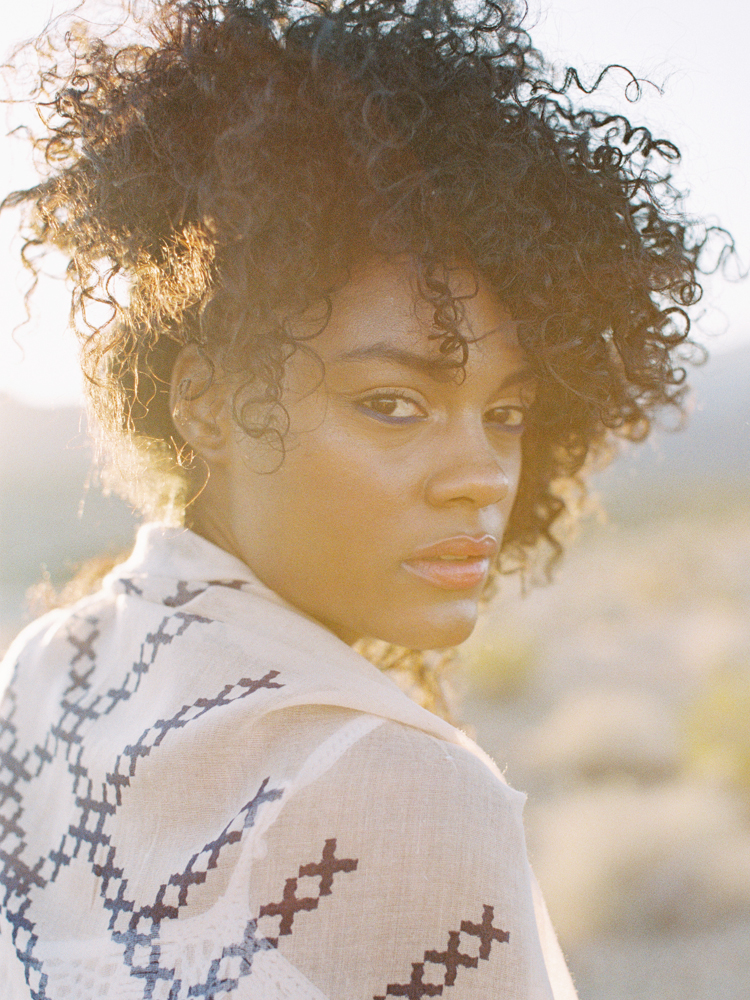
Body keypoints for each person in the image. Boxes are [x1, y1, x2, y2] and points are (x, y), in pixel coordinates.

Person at [0, 1, 723, 997]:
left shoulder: (44, 669)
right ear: (207, 401)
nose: (482, 475)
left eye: (508, 413)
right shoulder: (413, 797)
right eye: (393, 403)